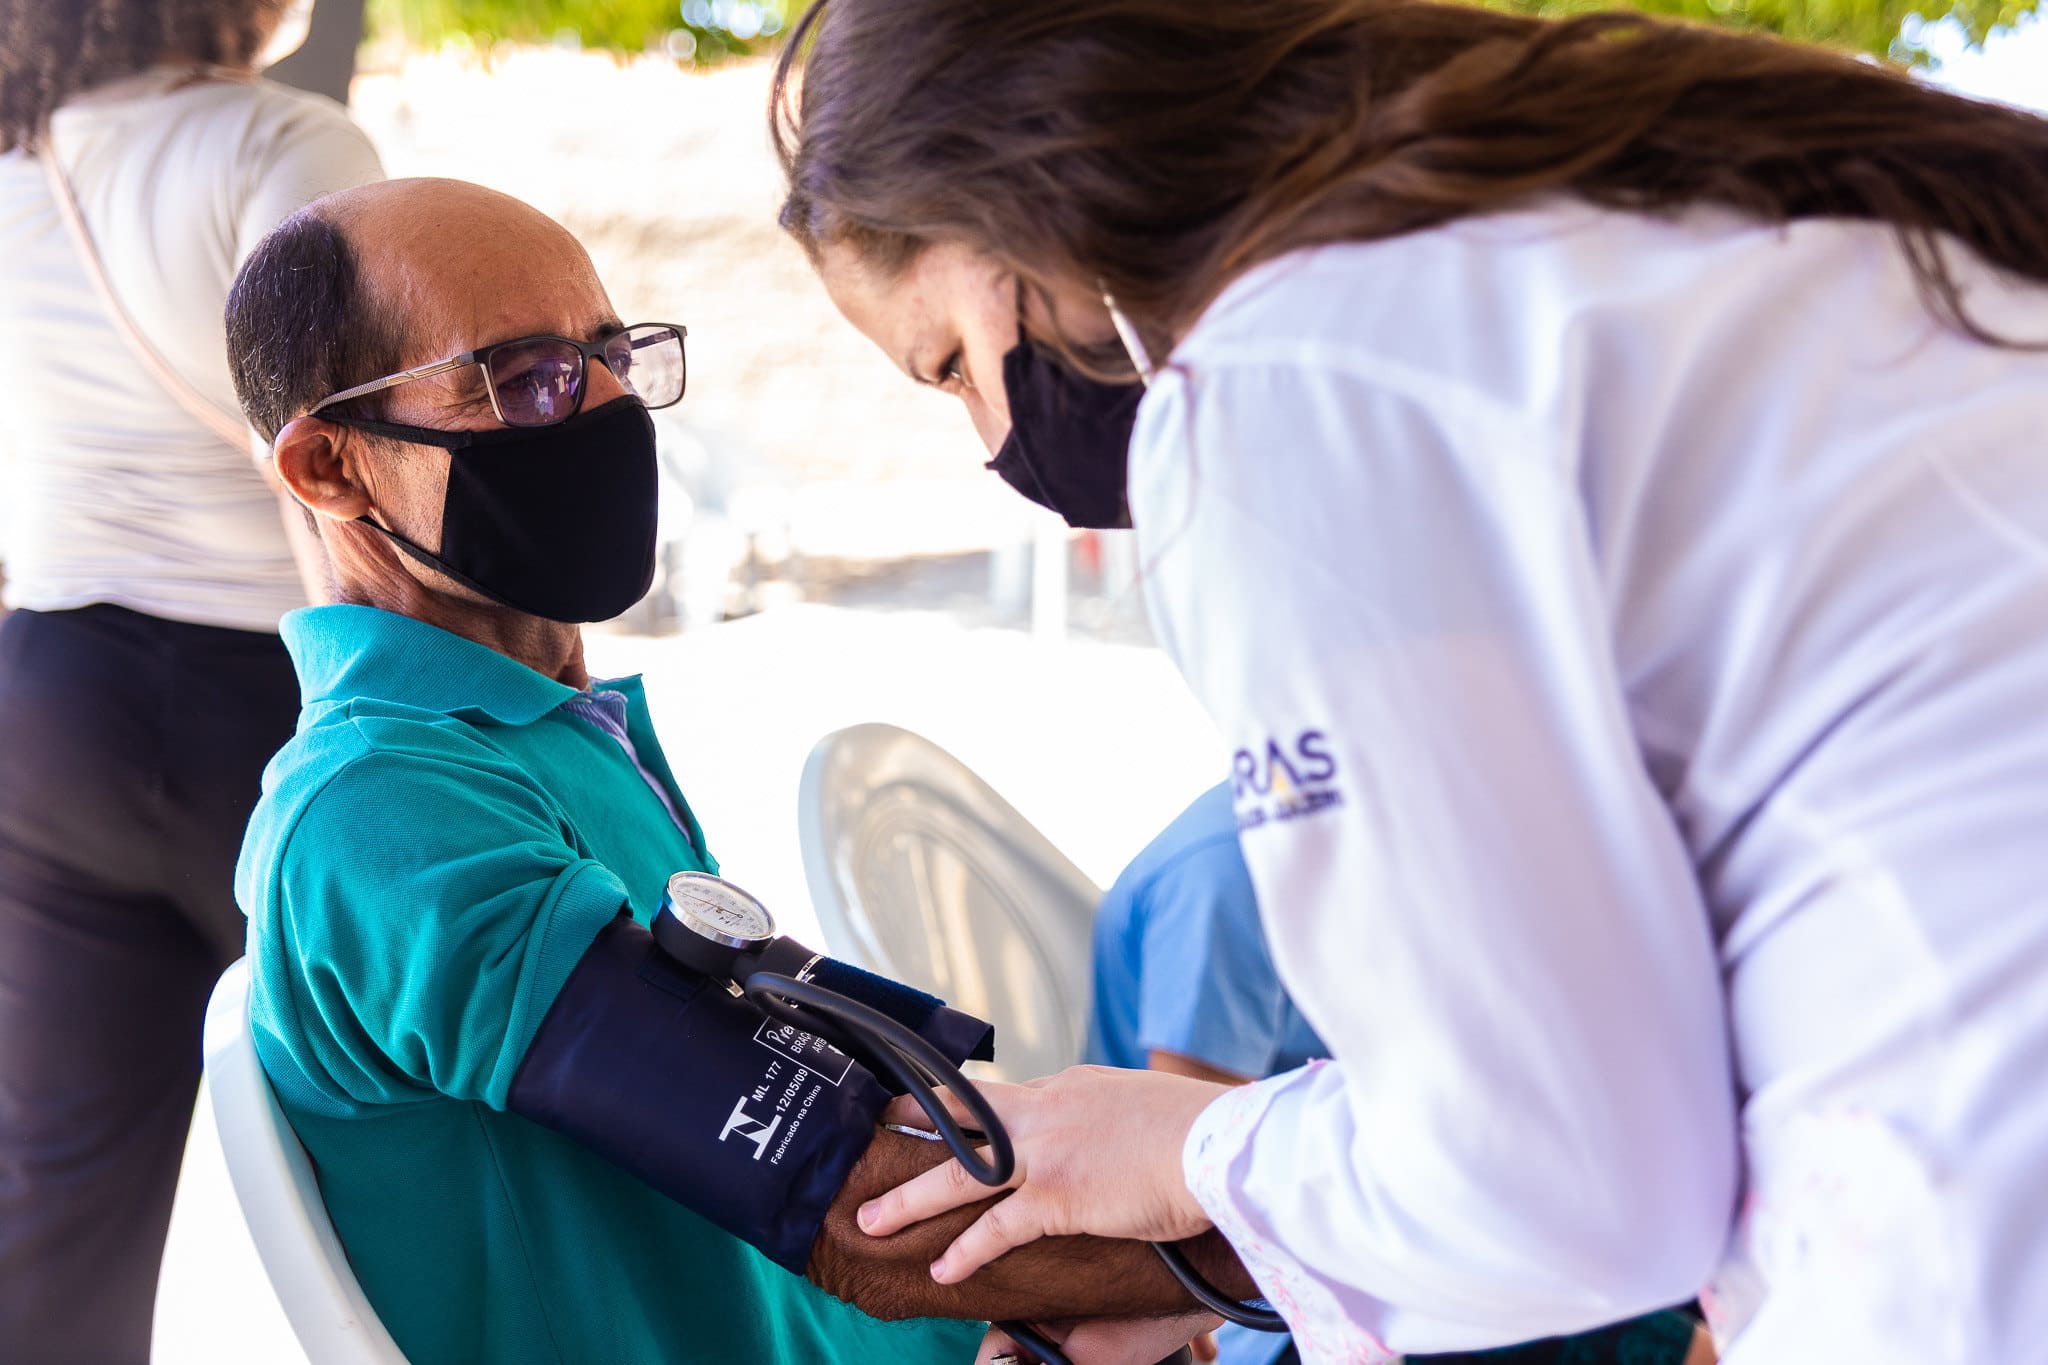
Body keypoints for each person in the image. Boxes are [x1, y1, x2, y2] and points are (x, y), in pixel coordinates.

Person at [771, 2, 2048, 1361]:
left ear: (1020, 191)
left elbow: (1564, 1184)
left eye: (955, 362)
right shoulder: (1705, 219)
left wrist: (1196, 1158)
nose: (991, 438)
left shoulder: (1288, 378)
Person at [224, 175, 1241, 1365]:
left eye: (612, 356)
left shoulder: (538, 733)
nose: (606, 408)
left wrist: (1066, 1307)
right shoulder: (383, 816)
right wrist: (1303, 1241)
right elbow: (834, 1193)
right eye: (528, 379)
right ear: (333, 470)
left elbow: (802, 1115)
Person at [0, 3, 382, 1358]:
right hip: (264, 699)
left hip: (45, 700)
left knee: (55, 1195)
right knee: (418, 1130)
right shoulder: (279, 139)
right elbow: (370, 437)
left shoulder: (16, 160)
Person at [1091, 783, 1711, 1365]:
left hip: (1359, 1212)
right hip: (1275, 1295)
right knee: (1669, 1343)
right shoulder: (1226, 875)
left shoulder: (1368, 839)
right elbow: (1196, 1161)